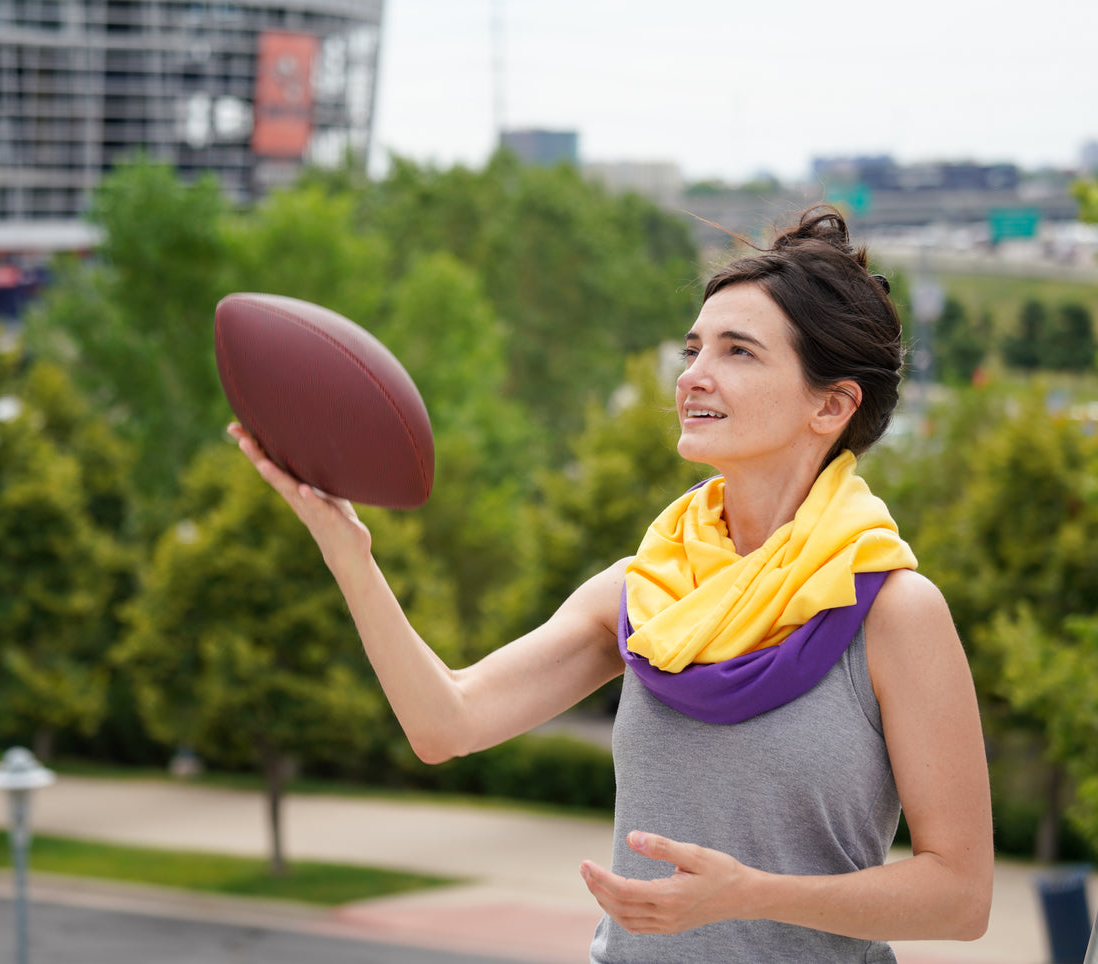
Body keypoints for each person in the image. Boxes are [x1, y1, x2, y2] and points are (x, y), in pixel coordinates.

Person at [229, 204, 993, 963]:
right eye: (693, 349)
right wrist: (347, 550)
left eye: (738, 353)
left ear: (830, 405)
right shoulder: (644, 592)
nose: (692, 376)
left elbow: (960, 897)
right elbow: (445, 725)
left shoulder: (891, 613)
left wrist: (752, 893)